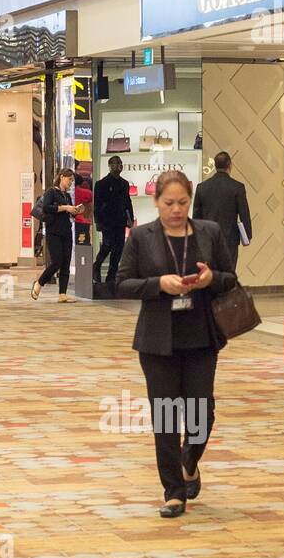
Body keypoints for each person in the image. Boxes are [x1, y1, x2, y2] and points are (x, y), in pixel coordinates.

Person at [115, 169, 237, 519]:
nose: (176, 209)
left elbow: (230, 280)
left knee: (202, 413)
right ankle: (173, 492)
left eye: (182, 202)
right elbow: (122, 284)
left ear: (191, 200)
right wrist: (158, 284)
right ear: (156, 202)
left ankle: (189, 460)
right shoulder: (141, 237)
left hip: (201, 335)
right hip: (157, 340)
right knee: (166, 415)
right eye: (169, 203)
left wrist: (211, 279)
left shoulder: (209, 233)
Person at [193, 151, 252, 264]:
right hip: (230, 238)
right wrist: (247, 236)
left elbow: (196, 216)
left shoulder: (202, 187)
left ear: (215, 166)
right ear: (229, 166)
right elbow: (244, 213)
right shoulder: (237, 187)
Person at [32, 169, 79, 302]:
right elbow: (47, 208)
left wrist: (75, 210)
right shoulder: (51, 192)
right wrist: (65, 208)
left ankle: (62, 294)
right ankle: (39, 283)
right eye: (69, 179)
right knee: (56, 262)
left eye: (72, 180)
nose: (71, 183)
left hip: (66, 231)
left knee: (66, 263)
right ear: (62, 177)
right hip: (54, 232)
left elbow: (70, 213)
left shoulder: (68, 196)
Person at [93, 155, 135, 289]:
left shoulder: (124, 183)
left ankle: (111, 276)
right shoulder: (101, 184)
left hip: (120, 221)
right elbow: (97, 204)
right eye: (116, 164)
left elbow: (128, 202)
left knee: (118, 249)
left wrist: (130, 219)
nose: (119, 166)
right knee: (107, 246)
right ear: (110, 166)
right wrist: (98, 221)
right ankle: (96, 265)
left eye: (121, 164)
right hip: (107, 221)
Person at [73, 172, 93, 246]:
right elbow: (90, 208)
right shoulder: (87, 193)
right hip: (83, 222)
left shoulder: (65, 193)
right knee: (82, 246)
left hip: (69, 222)